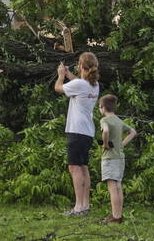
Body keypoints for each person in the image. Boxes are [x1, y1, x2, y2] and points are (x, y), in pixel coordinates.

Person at [55, 52, 100, 217]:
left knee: (74, 167)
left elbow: (58, 88)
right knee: (83, 167)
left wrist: (61, 75)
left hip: (76, 130)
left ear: (81, 67)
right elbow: (78, 83)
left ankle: (79, 207)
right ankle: (85, 204)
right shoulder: (94, 85)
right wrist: (69, 74)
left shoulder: (81, 84)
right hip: (87, 132)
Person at [97, 94, 136, 224]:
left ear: (102, 108)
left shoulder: (105, 121)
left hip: (109, 158)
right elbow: (133, 132)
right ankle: (118, 215)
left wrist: (105, 143)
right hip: (120, 157)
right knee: (118, 186)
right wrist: (122, 144)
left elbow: (106, 131)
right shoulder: (119, 120)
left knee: (112, 187)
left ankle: (115, 216)